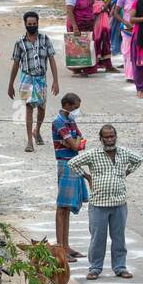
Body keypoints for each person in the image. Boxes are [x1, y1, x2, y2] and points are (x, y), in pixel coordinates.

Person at [67, 124, 142, 280]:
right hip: (98, 203)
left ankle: (120, 267)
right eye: (106, 137)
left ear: (116, 136)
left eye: (112, 136)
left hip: (119, 202)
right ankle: (95, 268)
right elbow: (72, 163)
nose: (109, 139)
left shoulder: (123, 153)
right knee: (97, 238)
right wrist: (87, 177)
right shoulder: (94, 154)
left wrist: (124, 173)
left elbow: (139, 160)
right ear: (101, 139)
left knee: (119, 237)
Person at [8, 11, 59, 152]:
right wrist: (10, 84)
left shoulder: (45, 39)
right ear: (25, 24)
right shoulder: (19, 43)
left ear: (38, 23)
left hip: (41, 79)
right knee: (29, 108)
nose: (32, 26)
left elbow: (52, 60)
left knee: (42, 108)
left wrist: (55, 80)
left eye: (34, 24)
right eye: (29, 24)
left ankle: (37, 130)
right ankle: (29, 141)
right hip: (26, 78)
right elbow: (15, 64)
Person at [51, 94, 87, 261]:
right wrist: (75, 142)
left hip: (73, 162)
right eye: (75, 107)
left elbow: (79, 140)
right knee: (62, 207)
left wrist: (75, 142)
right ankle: (60, 247)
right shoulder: (58, 122)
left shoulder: (70, 121)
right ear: (67, 105)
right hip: (65, 164)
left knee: (67, 208)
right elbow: (76, 144)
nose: (76, 111)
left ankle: (65, 245)